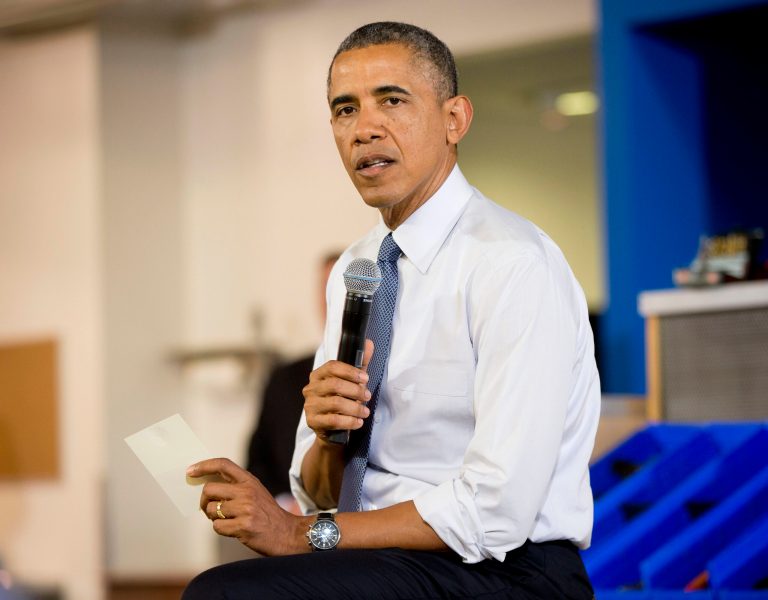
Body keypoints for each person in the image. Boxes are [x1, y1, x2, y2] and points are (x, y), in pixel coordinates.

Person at [183, 21, 600, 599]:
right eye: (345, 110)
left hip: (505, 571)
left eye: (392, 101)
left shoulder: (512, 264)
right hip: (377, 559)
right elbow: (320, 493)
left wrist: (303, 534)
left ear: (455, 119)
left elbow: (494, 511)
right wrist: (328, 436)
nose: (365, 129)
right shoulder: (360, 267)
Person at [245, 252, 339, 514]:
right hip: (287, 520)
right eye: (326, 289)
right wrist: (286, 505)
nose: (331, 300)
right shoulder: (283, 379)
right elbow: (258, 462)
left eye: (341, 288)